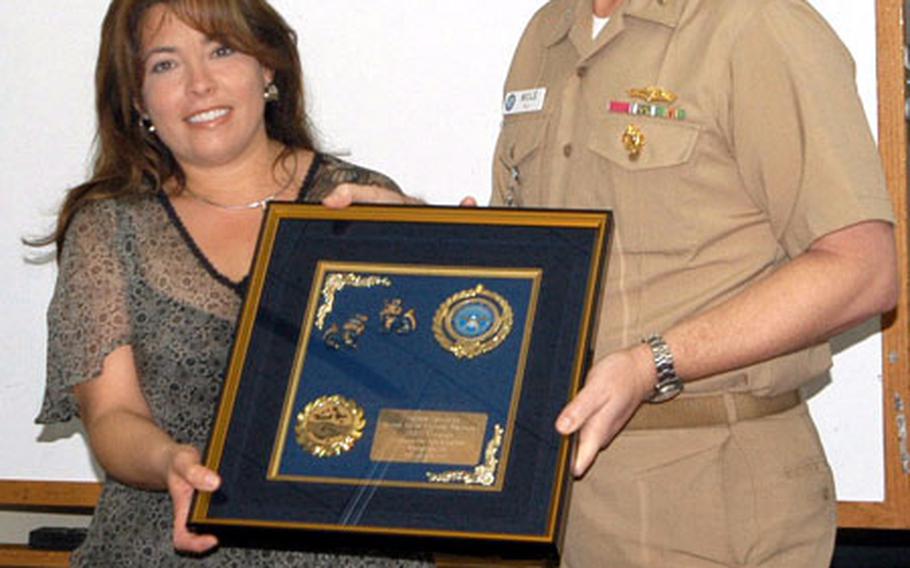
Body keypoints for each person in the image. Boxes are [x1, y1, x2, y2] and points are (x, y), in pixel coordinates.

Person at [492, 0, 898, 566]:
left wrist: (650, 363)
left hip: (709, 488)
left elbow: (862, 270)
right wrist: (402, 229)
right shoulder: (549, 31)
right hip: (560, 498)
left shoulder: (756, 23)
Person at [34, 0, 428, 565]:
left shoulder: (363, 202)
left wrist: (438, 242)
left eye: (222, 50)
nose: (199, 84)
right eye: (165, 65)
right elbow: (111, 416)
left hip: (349, 548)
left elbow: (425, 388)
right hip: (165, 547)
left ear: (268, 68)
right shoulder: (108, 226)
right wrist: (170, 461)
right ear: (139, 98)